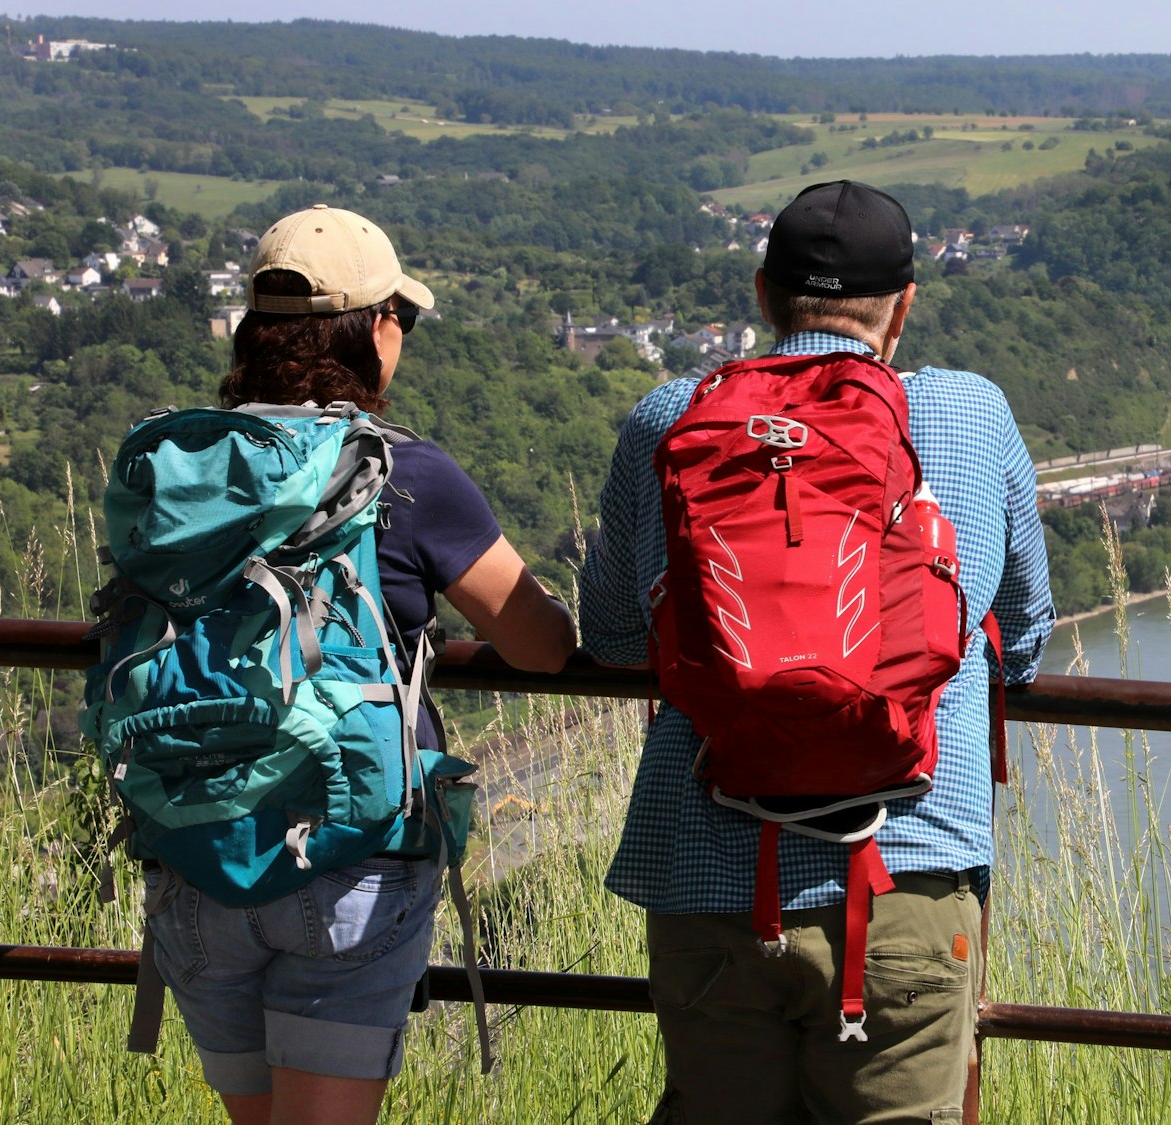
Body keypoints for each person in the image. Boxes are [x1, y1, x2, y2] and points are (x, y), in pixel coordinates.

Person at [582, 180, 1054, 1124]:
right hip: (905, 871)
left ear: (764, 295)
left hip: (709, 877)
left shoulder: (671, 416)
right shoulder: (971, 412)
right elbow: (1028, 632)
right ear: (904, 304)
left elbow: (613, 636)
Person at [145, 204, 577, 1125]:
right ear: (373, 330)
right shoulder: (403, 474)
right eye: (402, 320)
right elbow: (542, 646)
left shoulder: (182, 467)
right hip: (349, 860)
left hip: (195, 850)